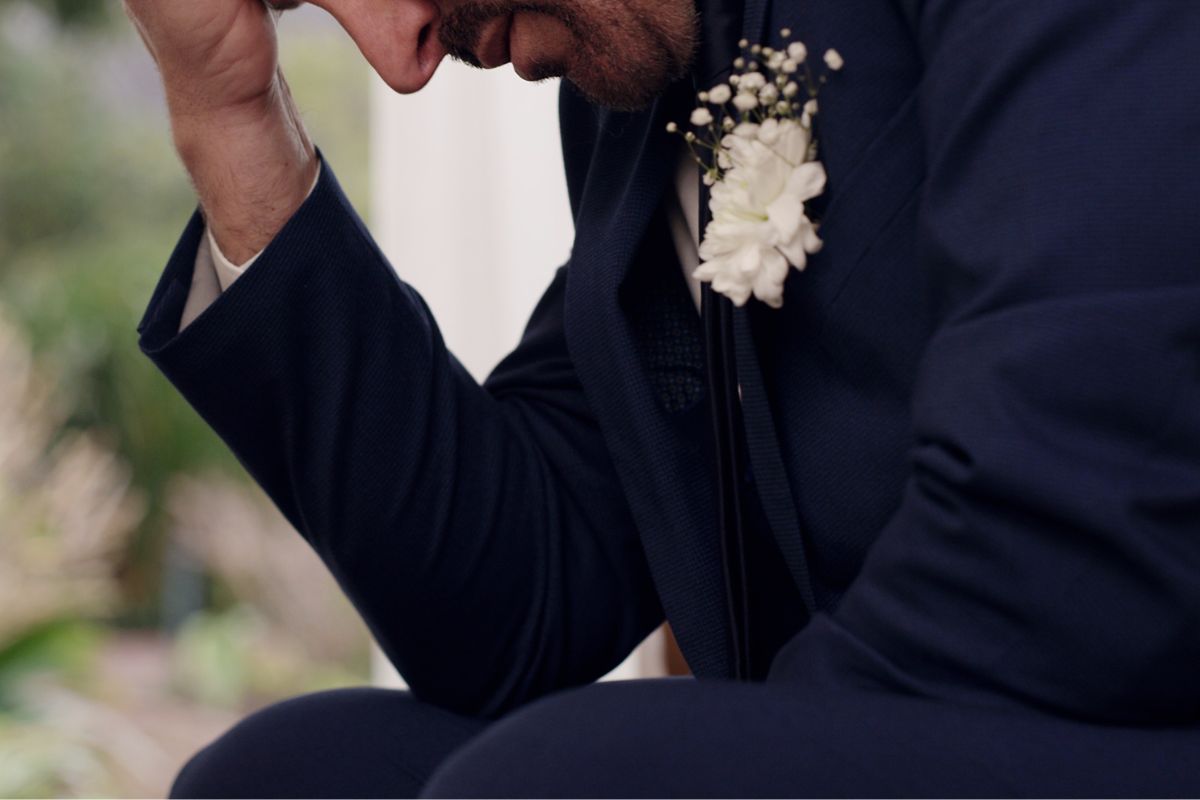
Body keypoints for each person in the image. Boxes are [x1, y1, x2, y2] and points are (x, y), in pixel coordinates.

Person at [126, 0, 1200, 795]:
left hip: (1111, 700)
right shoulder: (642, 80)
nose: (398, 49)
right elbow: (516, 609)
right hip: (893, 721)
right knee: (288, 778)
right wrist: (231, 121)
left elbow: (1076, 529)